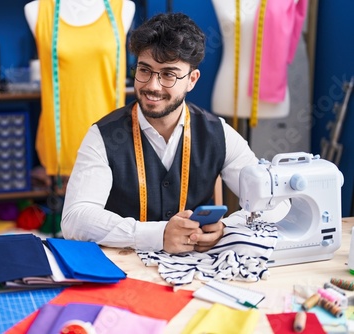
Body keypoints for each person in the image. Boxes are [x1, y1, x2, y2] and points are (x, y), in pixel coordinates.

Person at [61, 12, 293, 255]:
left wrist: (226, 227)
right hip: (121, 269)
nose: (152, 85)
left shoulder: (219, 134)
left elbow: (277, 204)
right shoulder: (103, 136)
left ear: (192, 80)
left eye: (168, 74)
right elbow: (75, 219)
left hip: (194, 272)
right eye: (145, 70)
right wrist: (157, 235)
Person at [24, 0, 135, 187]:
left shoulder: (123, 7)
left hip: (111, 137)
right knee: (69, 212)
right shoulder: (38, 10)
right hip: (63, 141)